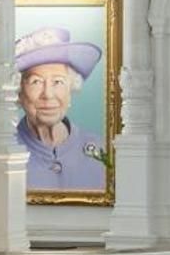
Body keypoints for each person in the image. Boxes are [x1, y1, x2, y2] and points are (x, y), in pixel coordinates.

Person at [14, 26, 108, 192]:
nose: (48, 95)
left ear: (71, 88)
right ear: (19, 92)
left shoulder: (102, 152)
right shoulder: (4, 152)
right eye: (36, 82)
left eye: (58, 82)